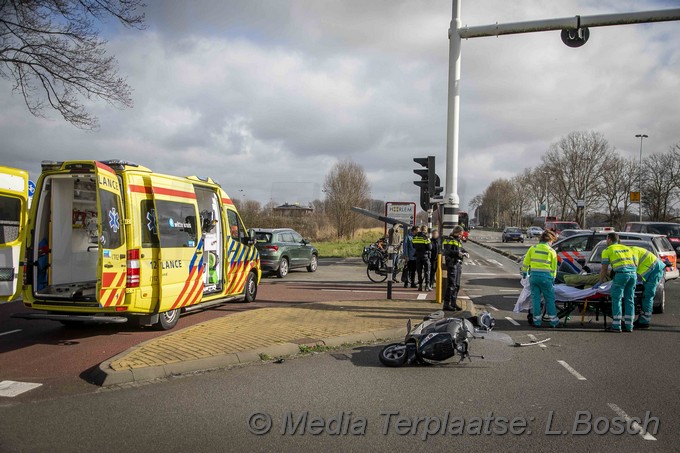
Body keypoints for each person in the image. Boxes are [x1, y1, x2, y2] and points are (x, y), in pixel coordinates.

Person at [597, 232, 637, 332]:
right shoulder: (628, 248)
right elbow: (635, 263)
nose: (606, 241)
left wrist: (600, 282)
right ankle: (629, 325)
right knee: (629, 299)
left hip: (621, 275)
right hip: (633, 274)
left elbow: (604, 269)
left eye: (607, 239)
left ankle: (616, 325)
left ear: (609, 239)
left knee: (617, 299)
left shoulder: (608, 250)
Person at [521, 230, 559, 328]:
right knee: (549, 300)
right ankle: (553, 321)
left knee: (535, 299)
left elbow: (526, 262)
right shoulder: (551, 251)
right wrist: (553, 279)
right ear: (549, 240)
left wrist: (525, 273)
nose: (552, 244)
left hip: (533, 277)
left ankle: (537, 321)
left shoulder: (532, 248)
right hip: (546, 278)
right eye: (552, 241)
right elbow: (554, 268)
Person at [630, 245, 666, 329]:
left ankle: (645, 321)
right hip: (652, 270)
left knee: (648, 296)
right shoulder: (632, 251)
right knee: (646, 295)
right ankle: (643, 318)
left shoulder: (632, 252)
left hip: (654, 270)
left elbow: (633, 267)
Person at [442, 226, 468, 310]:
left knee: (457, 285)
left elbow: (461, 249)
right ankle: (446, 304)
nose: (461, 236)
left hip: (458, 263)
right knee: (451, 284)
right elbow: (448, 251)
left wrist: (465, 252)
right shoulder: (449, 240)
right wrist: (458, 253)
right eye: (460, 234)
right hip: (452, 263)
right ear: (456, 232)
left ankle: (453, 303)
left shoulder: (458, 241)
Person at [412, 225, 432, 291]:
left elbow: (413, 246)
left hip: (418, 255)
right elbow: (430, 247)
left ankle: (420, 286)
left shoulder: (415, 237)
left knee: (419, 271)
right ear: (425, 230)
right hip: (425, 255)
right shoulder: (425, 237)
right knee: (427, 271)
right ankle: (427, 285)